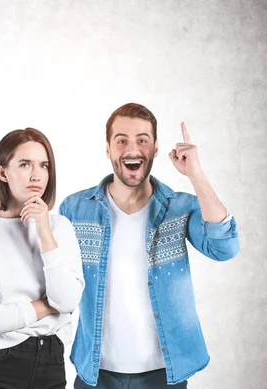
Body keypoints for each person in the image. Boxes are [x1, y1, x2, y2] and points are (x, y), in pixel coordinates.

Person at [59, 103, 240, 388]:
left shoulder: (180, 207)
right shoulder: (75, 209)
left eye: (142, 140)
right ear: (108, 149)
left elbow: (224, 247)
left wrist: (196, 174)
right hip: (95, 373)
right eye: (122, 140)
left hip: (163, 374)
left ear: (155, 148)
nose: (132, 149)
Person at [0, 128, 84, 389]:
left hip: (51, 362)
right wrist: (45, 306)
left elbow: (66, 301)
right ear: (2, 173)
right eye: (25, 164)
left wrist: (43, 230)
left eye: (44, 165)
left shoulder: (60, 227)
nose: (36, 175)